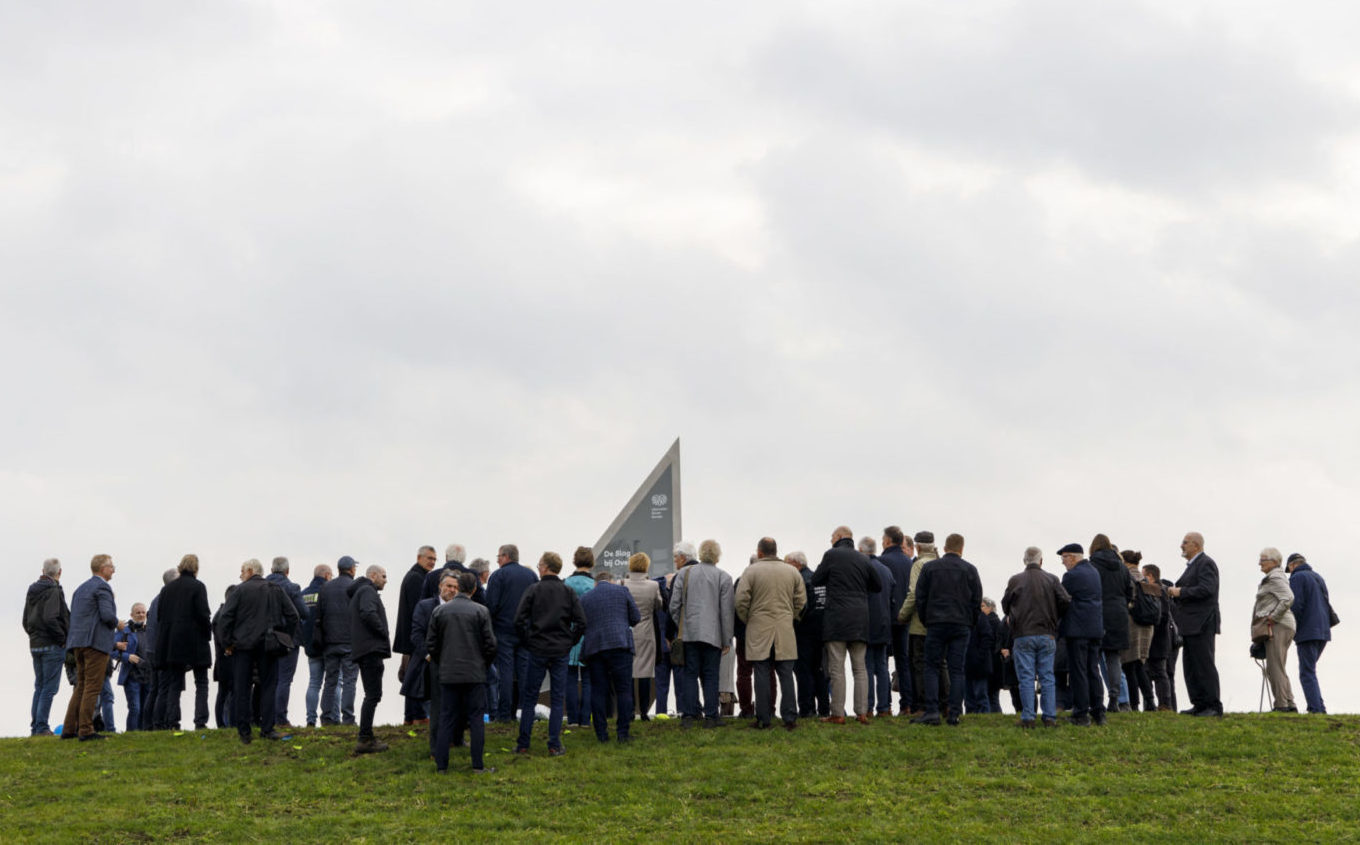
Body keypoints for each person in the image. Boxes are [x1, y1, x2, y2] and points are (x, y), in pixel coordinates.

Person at [217, 558, 299, 744]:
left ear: (250, 570)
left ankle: (244, 731)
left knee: (242, 688)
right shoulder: (275, 589)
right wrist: (285, 638)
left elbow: (226, 618)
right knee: (269, 686)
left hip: (242, 646)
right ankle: (267, 728)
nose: (240, 575)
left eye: (242, 571)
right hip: (268, 645)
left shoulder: (239, 590)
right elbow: (293, 615)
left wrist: (228, 643)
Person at [513, 551, 586, 756]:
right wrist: (569, 642)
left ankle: (523, 743)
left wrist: (528, 641)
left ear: (544, 567)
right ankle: (554, 744)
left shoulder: (533, 590)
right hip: (560, 650)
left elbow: (518, 620)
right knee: (557, 698)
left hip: (537, 649)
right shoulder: (568, 591)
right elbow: (582, 622)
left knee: (530, 697)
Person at [426, 571, 497, 774]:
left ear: (457, 587)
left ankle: (442, 766)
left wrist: (443, 662)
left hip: (448, 673)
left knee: (446, 717)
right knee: (476, 719)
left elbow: (431, 643)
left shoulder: (440, 611)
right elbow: (491, 644)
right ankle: (477, 765)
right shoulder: (481, 611)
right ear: (474, 589)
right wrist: (483, 664)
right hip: (475, 673)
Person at [735, 537, 806, 730]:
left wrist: (749, 619)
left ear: (759, 552)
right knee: (786, 674)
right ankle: (790, 717)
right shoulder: (792, 571)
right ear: (776, 550)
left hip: (759, 628)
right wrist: (792, 617)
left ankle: (763, 719)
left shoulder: (751, 571)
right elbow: (801, 600)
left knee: (761, 673)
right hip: (784, 628)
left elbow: (741, 601)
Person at [911, 533, 982, 727]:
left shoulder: (930, 568)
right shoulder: (970, 570)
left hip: (936, 623)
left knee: (931, 666)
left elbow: (920, 596)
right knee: (957, 670)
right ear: (962, 549)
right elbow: (977, 600)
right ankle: (954, 713)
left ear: (944, 548)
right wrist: (970, 622)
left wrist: (927, 619)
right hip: (961, 624)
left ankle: (932, 711)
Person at [813, 526, 881, 725]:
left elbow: (817, 579)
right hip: (860, 620)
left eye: (832, 536)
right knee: (860, 669)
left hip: (836, 619)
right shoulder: (863, 558)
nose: (830, 539)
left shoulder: (831, 555)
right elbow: (877, 586)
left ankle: (838, 714)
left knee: (837, 669)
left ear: (840, 537)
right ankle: (861, 712)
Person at [1001, 546, 1071, 728]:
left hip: (1023, 634)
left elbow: (1004, 605)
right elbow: (1065, 601)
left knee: (1026, 677)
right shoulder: (1052, 579)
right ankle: (1049, 717)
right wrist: (1055, 618)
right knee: (1047, 676)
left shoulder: (1015, 580)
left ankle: (1028, 717)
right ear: (1041, 561)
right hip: (1047, 634)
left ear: (1025, 561)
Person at [669, 539, 735, 729]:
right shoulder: (724, 577)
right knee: (711, 675)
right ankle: (711, 716)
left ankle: (689, 716)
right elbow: (726, 612)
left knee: (690, 674)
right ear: (717, 556)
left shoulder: (684, 573)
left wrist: (682, 626)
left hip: (689, 634)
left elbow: (674, 605)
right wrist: (726, 638)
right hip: (713, 635)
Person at [579, 561, 642, 743]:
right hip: (620, 645)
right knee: (623, 690)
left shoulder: (586, 598)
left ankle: (601, 734)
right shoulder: (622, 591)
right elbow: (636, 617)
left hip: (595, 648)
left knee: (598, 691)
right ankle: (623, 733)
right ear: (612, 581)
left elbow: (582, 624)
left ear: (596, 583)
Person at [152, 555, 213, 732]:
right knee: (201, 682)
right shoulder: (198, 587)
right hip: (195, 640)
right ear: (196, 568)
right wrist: (207, 634)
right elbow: (203, 614)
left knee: (174, 683)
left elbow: (160, 616)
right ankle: (200, 721)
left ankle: (172, 722)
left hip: (172, 642)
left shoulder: (167, 590)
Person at [62, 554, 118, 741]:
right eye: (111, 566)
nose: (114, 569)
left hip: (77, 643)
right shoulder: (103, 587)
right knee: (93, 687)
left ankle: (69, 729)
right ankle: (86, 729)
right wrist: (118, 624)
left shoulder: (80, 589)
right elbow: (107, 616)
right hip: (95, 643)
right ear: (102, 568)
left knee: (81, 686)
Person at [1167, 532, 1222, 717]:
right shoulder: (1194, 565)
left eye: (1185, 543)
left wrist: (1180, 592)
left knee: (1204, 664)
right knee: (1191, 666)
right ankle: (1199, 703)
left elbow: (1207, 589)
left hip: (1202, 622)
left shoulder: (1206, 563)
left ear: (1196, 545)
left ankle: (1212, 705)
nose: (1181, 546)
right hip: (1190, 624)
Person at [486, 544, 538, 722]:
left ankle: (504, 714)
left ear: (506, 556)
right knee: (524, 672)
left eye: (498, 556)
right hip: (525, 631)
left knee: (505, 673)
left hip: (503, 631)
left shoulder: (498, 575)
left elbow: (491, 605)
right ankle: (525, 711)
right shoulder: (531, 575)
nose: (498, 560)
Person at [897, 532, 946, 716]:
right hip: (940, 622)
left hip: (919, 623)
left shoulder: (918, 565)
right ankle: (945, 704)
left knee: (920, 664)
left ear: (917, 547)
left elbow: (914, 594)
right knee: (941, 664)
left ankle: (923, 705)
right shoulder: (941, 564)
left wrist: (902, 614)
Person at [1058, 543, 1105, 726]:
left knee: (1078, 672)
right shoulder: (1094, 572)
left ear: (1073, 557)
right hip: (1095, 628)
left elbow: (1061, 599)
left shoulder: (1072, 575)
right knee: (1093, 670)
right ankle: (1099, 712)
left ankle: (1081, 713)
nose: (1063, 563)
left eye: (1064, 558)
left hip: (1077, 630)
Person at [348, 564, 391, 753]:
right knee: (373, 695)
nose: (385, 580)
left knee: (372, 694)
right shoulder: (367, 591)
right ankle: (364, 738)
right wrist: (382, 633)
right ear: (373, 576)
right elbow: (368, 613)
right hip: (371, 649)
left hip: (364, 648)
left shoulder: (360, 591)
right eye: (383, 576)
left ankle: (367, 736)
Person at [407, 571, 451, 759]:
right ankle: (436, 748)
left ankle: (454, 740)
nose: (452, 590)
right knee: (436, 706)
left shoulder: (461, 608)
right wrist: (428, 656)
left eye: (456, 587)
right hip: (432, 663)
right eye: (449, 586)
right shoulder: (425, 606)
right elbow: (416, 634)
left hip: (455, 663)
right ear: (440, 586)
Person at [24, 557, 68, 737]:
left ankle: (36, 726)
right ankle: (41, 727)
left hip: (35, 644)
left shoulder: (32, 590)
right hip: (52, 644)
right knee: (49, 688)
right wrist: (62, 638)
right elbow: (51, 617)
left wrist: (33, 635)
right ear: (59, 572)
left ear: (43, 571)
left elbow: (25, 620)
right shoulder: (54, 590)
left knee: (40, 686)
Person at [1089, 534, 1133, 713]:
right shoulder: (1122, 568)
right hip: (1119, 615)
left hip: (1098, 614)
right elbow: (1130, 591)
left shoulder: (1092, 566)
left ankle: (1097, 698)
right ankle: (1116, 698)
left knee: (1094, 658)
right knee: (1114, 659)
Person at [395, 546, 438, 725]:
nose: (432, 562)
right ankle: (416, 715)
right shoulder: (416, 578)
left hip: (411, 636)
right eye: (429, 558)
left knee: (413, 676)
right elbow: (417, 609)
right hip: (414, 636)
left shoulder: (416, 576)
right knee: (416, 677)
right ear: (419, 557)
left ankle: (411, 716)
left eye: (434, 559)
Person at [266, 557, 310, 728]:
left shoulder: (263, 586)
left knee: (269, 679)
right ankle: (280, 718)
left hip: (265, 639)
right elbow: (304, 612)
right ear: (287, 571)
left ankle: (266, 716)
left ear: (271, 569)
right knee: (284, 680)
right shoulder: (292, 588)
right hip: (288, 640)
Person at [315, 556, 359, 726]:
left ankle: (326, 717)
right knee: (349, 681)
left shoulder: (326, 587)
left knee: (330, 680)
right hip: (349, 641)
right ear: (352, 569)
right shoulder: (355, 587)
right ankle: (348, 718)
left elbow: (319, 614)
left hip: (329, 642)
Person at [1286, 552, 1331, 714]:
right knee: (1310, 670)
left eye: (1289, 568)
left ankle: (1315, 709)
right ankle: (1320, 707)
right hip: (1323, 631)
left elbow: (1296, 605)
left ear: (1292, 565)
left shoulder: (1297, 578)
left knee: (1306, 672)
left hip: (1307, 631)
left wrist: (1291, 628)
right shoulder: (1318, 577)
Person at [1253, 548, 1297, 712]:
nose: (1259, 563)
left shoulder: (1275, 577)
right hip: (1283, 625)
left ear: (1273, 562)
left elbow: (1288, 597)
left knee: (1274, 667)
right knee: (1278, 665)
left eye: (1262, 559)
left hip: (1278, 626)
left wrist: (1273, 617)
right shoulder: (1276, 577)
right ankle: (1289, 702)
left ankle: (1281, 705)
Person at [786, 550, 828, 718]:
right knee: (819, 671)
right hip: (821, 631)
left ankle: (806, 708)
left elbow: (801, 607)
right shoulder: (817, 578)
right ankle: (824, 707)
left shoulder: (799, 580)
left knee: (803, 671)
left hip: (803, 632)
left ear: (796, 564)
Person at [623, 551, 664, 720]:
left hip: (628, 632)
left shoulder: (622, 583)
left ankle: (631, 710)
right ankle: (645, 712)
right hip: (647, 632)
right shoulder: (653, 586)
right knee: (646, 672)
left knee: (629, 673)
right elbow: (659, 605)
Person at [879, 527, 915, 716]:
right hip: (905, 618)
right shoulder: (909, 562)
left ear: (888, 541)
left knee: (882, 662)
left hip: (886, 617)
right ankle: (907, 704)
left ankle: (885, 705)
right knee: (904, 663)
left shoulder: (882, 561)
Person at [860, 537, 895, 717]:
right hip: (884, 623)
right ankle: (884, 707)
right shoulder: (886, 570)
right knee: (882, 667)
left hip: (866, 623)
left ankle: (868, 707)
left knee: (866, 667)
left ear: (861, 550)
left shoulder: (862, 569)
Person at [1120, 551, 1159, 711]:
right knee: (1139, 664)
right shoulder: (1144, 579)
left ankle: (1135, 704)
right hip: (1147, 627)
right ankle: (1149, 702)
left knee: (1130, 665)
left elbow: (1128, 599)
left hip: (1132, 624)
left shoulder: (1127, 577)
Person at [563, 547, 597, 727]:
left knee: (569, 678)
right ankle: (585, 719)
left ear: (575, 561)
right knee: (588, 679)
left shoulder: (566, 583)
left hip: (569, 634)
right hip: (589, 635)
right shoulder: (594, 585)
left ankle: (572, 718)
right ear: (592, 562)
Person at [300, 564, 332, 727]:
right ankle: (333, 717)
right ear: (326, 575)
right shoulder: (328, 592)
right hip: (327, 644)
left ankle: (310, 720)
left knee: (314, 683)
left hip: (310, 646)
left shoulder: (304, 594)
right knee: (333, 682)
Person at [1143, 564, 1175, 710]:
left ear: (1150, 576)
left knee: (1159, 672)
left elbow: (1162, 615)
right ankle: (1155, 704)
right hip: (1159, 638)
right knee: (1152, 671)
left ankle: (1164, 704)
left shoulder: (1158, 591)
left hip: (1158, 638)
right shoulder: (1160, 590)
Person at [114, 603, 151, 731]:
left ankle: (144, 735)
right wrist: (127, 657)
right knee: (135, 707)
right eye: (138, 613)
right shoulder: (124, 631)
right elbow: (110, 649)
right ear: (131, 615)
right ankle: (131, 734)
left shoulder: (150, 630)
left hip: (148, 674)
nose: (141, 615)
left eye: (143, 612)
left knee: (146, 708)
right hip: (131, 676)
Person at [964, 599, 995, 714]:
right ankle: (972, 716)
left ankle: (983, 716)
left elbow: (988, 637)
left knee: (980, 695)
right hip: (968, 663)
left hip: (979, 664)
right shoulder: (968, 616)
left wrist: (979, 656)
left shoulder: (981, 617)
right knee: (969, 697)